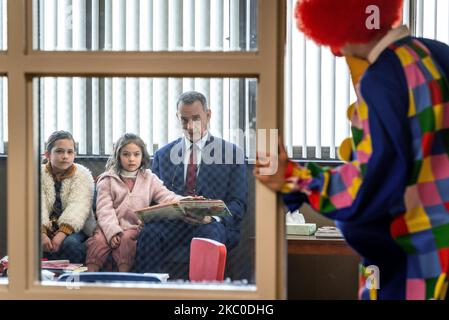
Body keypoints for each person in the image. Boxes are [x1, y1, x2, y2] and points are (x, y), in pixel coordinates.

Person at [255, 0, 449, 300]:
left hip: (419, 262)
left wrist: (294, 178)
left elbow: (367, 184)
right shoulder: (437, 53)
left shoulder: (383, 77)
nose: (335, 51)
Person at [134, 91, 247, 279]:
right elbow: (153, 199)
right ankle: (147, 293)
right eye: (184, 120)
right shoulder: (163, 155)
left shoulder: (231, 153)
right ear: (177, 118)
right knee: (149, 234)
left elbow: (238, 204)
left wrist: (211, 217)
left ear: (208, 115)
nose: (189, 126)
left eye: (195, 119)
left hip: (211, 224)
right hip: (173, 224)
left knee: (209, 233)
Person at [85, 133, 183, 272]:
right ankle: (90, 276)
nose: (131, 159)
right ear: (118, 155)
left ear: (142, 156)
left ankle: (124, 276)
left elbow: (166, 196)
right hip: (108, 226)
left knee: (126, 241)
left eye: (136, 154)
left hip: (134, 226)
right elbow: (104, 209)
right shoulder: (107, 179)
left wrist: (185, 201)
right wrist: (112, 232)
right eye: (126, 154)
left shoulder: (149, 178)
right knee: (98, 241)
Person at [41, 130, 95, 264]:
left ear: (74, 155)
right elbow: (34, 205)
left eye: (69, 152)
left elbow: (79, 207)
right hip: (42, 227)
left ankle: (75, 281)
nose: (65, 156)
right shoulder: (37, 174)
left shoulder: (82, 175)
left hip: (74, 228)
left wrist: (61, 234)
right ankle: (40, 281)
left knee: (71, 245)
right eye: (59, 151)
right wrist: (41, 233)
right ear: (47, 154)